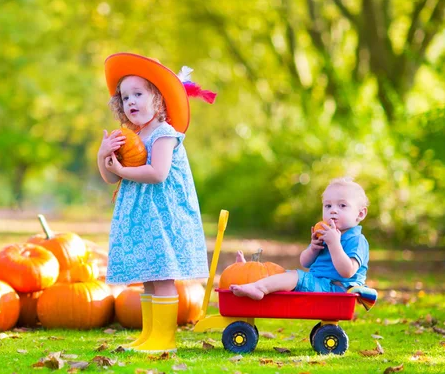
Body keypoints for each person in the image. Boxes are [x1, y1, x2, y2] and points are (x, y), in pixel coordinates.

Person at [98, 53, 216, 353]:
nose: (131, 102)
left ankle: (165, 337)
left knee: (163, 276)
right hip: (142, 217)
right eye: (125, 97)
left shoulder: (164, 134)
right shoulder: (131, 136)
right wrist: (104, 156)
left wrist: (123, 170)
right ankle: (149, 333)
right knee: (149, 277)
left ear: (158, 99)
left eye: (138, 94)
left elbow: (158, 173)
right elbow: (111, 178)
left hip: (164, 216)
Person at [231, 177, 376, 308]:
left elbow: (347, 271)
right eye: (328, 206)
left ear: (360, 214)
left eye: (342, 206)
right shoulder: (326, 233)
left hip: (336, 289)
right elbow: (305, 262)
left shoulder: (356, 240)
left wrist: (334, 244)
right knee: (280, 273)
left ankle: (259, 288)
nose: (333, 211)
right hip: (319, 284)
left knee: (294, 276)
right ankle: (245, 273)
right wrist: (313, 249)